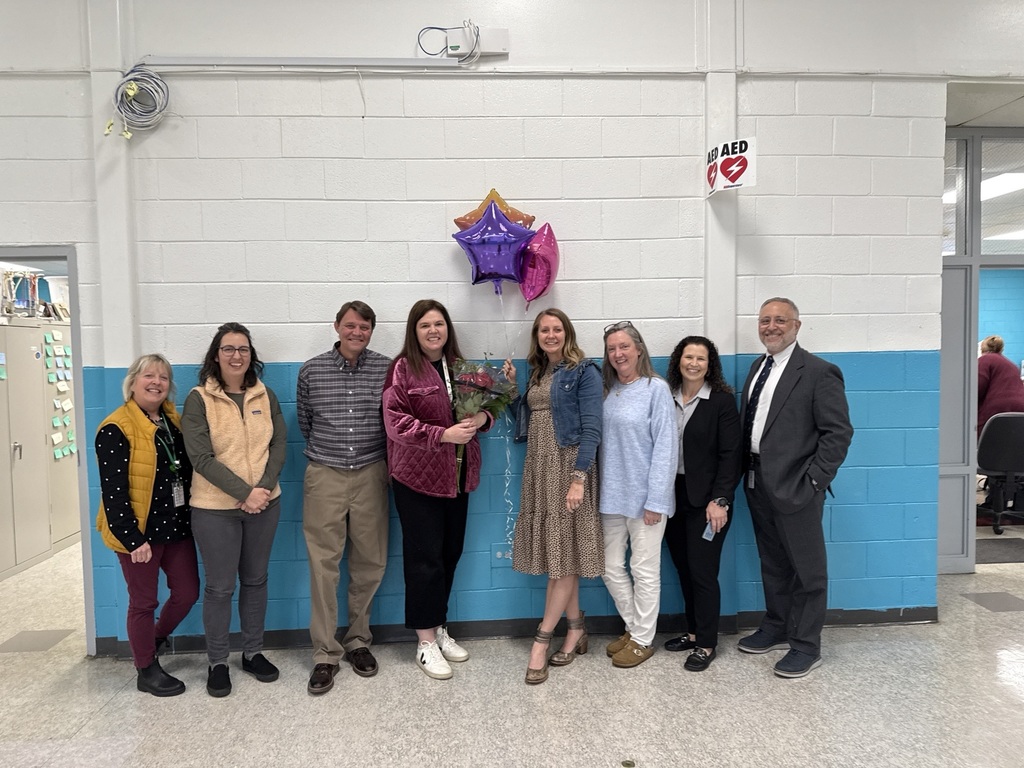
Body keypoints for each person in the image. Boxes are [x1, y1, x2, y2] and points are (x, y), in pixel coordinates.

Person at [739, 297, 853, 678]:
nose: (771, 327)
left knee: (808, 571)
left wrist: (815, 480)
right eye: (765, 320)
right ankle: (777, 626)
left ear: (797, 326)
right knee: (773, 563)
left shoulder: (820, 372)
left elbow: (838, 433)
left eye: (780, 321)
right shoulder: (759, 366)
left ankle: (806, 645)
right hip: (757, 482)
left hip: (797, 488)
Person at [382, 299, 491, 680]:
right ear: (414, 331)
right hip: (416, 481)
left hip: (458, 480)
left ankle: (439, 626)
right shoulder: (402, 370)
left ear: (448, 329)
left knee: (449, 554)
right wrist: (441, 434)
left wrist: (482, 416)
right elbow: (396, 424)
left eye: (439, 324)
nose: (433, 331)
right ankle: (425, 641)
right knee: (424, 560)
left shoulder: (462, 368)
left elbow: (486, 409)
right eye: (425, 325)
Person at [182, 322, 287, 698]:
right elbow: (201, 457)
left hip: (265, 505)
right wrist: (244, 493)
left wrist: (260, 491)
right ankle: (218, 662)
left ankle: (253, 652)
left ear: (251, 355)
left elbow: (278, 446)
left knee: (256, 580)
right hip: (214, 509)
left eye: (243, 349)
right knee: (220, 587)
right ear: (216, 355)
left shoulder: (265, 395)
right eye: (228, 349)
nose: (236, 355)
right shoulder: (199, 399)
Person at [297, 301, 391, 695]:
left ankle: (357, 641)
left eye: (364, 327)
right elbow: (306, 422)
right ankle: (324, 653)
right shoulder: (311, 371)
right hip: (325, 474)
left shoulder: (387, 368)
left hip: (372, 472)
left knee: (370, 562)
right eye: (350, 325)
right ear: (337, 327)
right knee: (324, 565)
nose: (357, 332)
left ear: (371, 330)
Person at [506, 308, 603, 685]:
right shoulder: (540, 373)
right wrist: (516, 389)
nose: (550, 335)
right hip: (539, 469)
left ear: (568, 333)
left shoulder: (584, 371)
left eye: (556, 329)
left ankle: (540, 643)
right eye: (544, 330)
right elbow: (528, 419)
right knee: (562, 556)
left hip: (568, 469)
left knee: (563, 561)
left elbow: (593, 427)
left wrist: (578, 478)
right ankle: (576, 627)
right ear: (537, 335)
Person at [95, 354, 199, 697]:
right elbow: (113, 491)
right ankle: (145, 668)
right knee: (143, 602)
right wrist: (132, 539)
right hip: (139, 534)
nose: (156, 382)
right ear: (132, 382)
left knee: (187, 593)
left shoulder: (172, 420)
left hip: (176, 526)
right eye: (148, 376)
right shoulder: (116, 427)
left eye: (163, 377)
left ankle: (152, 638)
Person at [599, 321, 677, 668]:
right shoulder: (607, 390)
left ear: (639, 349)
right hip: (610, 497)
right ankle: (635, 629)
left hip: (646, 498)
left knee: (644, 570)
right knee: (609, 566)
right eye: (612, 349)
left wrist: (657, 500)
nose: (618, 354)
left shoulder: (655, 389)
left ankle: (644, 639)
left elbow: (666, 448)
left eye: (624, 347)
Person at [662, 336, 742, 672]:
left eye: (701, 359)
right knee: (683, 568)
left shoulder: (721, 401)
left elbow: (731, 455)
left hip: (709, 501)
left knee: (703, 572)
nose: (694, 363)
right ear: (679, 360)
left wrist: (720, 500)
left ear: (711, 365)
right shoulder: (666, 396)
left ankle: (707, 644)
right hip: (672, 497)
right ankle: (693, 633)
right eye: (688, 357)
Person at [978, 334, 1024, 437]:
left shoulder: (984, 360)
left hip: (996, 412)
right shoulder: (1012, 365)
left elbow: (978, 387)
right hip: (1020, 411)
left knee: (985, 443)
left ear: (982, 349)